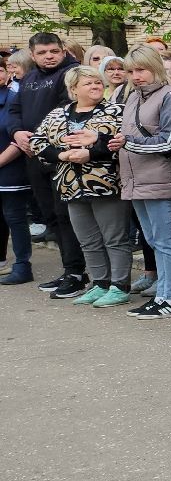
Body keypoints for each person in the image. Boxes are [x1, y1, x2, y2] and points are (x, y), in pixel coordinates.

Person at [29, 64, 133, 307]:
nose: (96, 86)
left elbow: (122, 144)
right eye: (89, 83)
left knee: (114, 238)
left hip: (106, 184)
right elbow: (37, 141)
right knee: (88, 239)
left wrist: (92, 154)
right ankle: (99, 283)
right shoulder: (58, 114)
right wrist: (62, 156)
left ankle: (120, 285)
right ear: (74, 89)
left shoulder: (115, 111)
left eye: (98, 82)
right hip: (70, 186)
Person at [115, 46, 171, 319]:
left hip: (161, 179)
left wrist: (128, 143)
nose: (136, 76)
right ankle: (162, 296)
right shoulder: (133, 96)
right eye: (131, 71)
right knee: (155, 240)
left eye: (141, 69)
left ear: (155, 67)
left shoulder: (170, 97)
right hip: (136, 180)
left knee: (168, 241)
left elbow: (169, 141)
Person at [13, 34, 84, 295]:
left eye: (54, 51)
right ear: (32, 54)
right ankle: (68, 269)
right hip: (33, 157)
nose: (49, 56)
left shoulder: (71, 74)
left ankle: (78, 273)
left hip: (60, 157)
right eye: (42, 52)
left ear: (63, 50)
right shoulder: (29, 78)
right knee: (51, 217)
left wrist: (42, 140)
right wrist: (17, 132)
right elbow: (15, 110)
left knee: (66, 216)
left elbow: (67, 111)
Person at [0, 60, 32, 286]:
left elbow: (20, 135)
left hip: (11, 169)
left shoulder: (13, 98)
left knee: (14, 217)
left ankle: (22, 265)